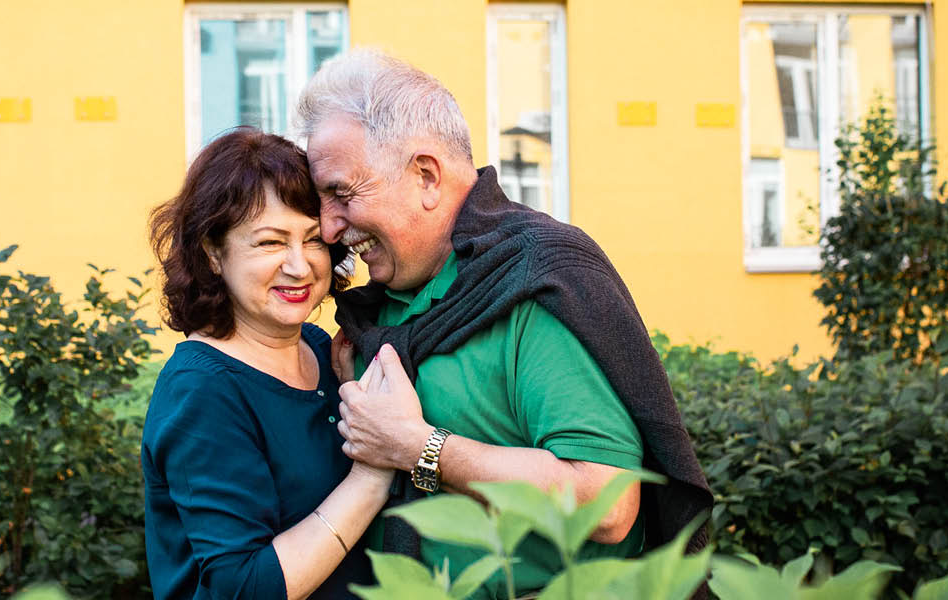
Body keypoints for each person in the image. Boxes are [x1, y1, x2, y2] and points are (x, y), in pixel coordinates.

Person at [295, 50, 713, 599]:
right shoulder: (380, 310)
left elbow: (606, 503)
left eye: (343, 194)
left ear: (425, 175)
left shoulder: (532, 280)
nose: (328, 228)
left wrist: (420, 447)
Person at [142, 127, 399, 600]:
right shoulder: (203, 390)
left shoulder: (325, 351)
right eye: (270, 243)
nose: (300, 266)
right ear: (213, 253)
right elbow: (245, 587)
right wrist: (373, 472)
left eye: (312, 240)